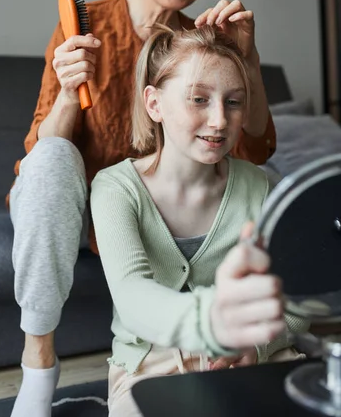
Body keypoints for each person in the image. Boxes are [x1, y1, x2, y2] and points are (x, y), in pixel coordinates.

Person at [9, 0, 276, 417]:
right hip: (80, 205)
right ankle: (37, 364)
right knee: (47, 166)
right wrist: (68, 91)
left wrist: (247, 58)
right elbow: (43, 149)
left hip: (154, 212)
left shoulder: (201, 42)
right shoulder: (82, 28)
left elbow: (255, 148)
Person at [90, 24, 307, 416]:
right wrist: (214, 322)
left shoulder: (263, 187)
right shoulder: (115, 189)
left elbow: (298, 302)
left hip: (257, 359)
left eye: (234, 102)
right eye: (199, 100)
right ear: (154, 104)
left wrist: (253, 345)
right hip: (150, 369)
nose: (220, 120)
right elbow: (132, 296)